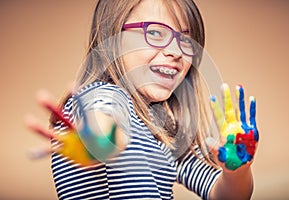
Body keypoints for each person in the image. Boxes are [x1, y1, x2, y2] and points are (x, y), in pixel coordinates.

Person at [27, 0, 259, 199]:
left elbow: (223, 194)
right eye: (156, 33)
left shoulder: (160, 128)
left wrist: (236, 169)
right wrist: (96, 141)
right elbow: (106, 125)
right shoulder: (104, 96)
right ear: (113, 36)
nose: (176, 52)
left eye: (186, 41)